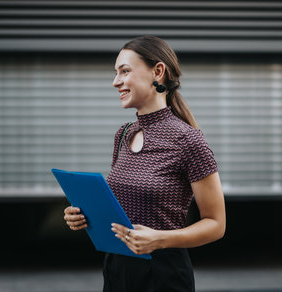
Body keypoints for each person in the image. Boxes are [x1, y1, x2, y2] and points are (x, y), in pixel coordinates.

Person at [63, 35, 226, 292]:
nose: (116, 81)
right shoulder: (123, 134)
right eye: (116, 73)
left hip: (163, 274)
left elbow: (216, 224)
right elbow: (122, 205)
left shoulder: (188, 140)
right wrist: (84, 216)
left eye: (124, 71)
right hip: (116, 268)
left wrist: (160, 238)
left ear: (157, 72)